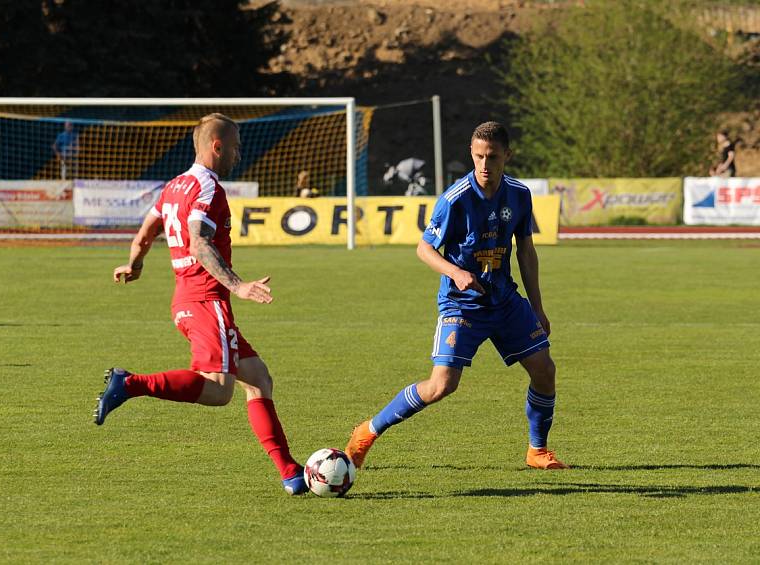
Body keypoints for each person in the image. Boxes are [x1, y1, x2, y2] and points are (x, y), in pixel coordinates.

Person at [95, 113, 308, 495]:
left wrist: (134, 263)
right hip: (206, 299)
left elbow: (146, 233)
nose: (239, 155)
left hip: (187, 297)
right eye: (236, 147)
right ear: (217, 146)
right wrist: (238, 285)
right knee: (219, 390)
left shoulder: (174, 186)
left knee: (258, 379)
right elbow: (199, 241)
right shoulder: (209, 189)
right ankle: (130, 383)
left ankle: (290, 471)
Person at [346, 121, 569, 471]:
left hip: (504, 300)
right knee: (441, 385)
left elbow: (526, 250)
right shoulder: (455, 199)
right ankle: (367, 432)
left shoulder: (519, 195)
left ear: (507, 156)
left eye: (492, 157)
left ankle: (537, 450)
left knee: (544, 370)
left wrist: (537, 307)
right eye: (478, 156)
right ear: (471, 153)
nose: (484, 164)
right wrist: (455, 272)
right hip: (462, 304)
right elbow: (424, 249)